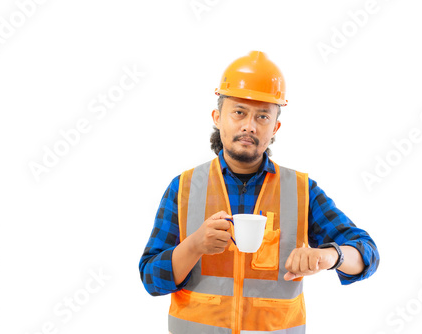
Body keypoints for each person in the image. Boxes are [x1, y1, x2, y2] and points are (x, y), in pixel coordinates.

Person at [139, 51, 380, 334]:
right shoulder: (184, 188)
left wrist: (330, 256)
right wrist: (193, 246)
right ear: (218, 117)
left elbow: (367, 253)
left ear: (275, 126)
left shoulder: (302, 191)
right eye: (239, 112)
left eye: (262, 116)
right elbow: (151, 280)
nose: (249, 126)